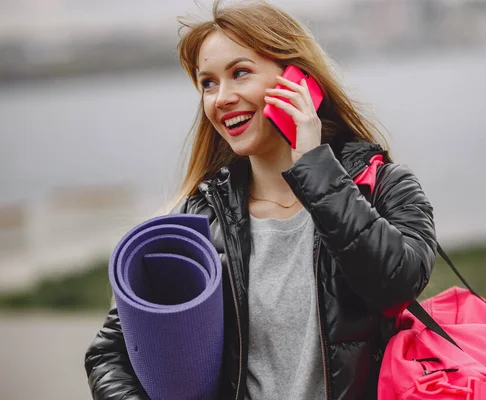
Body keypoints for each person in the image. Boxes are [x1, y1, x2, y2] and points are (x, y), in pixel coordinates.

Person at [84, 1, 437, 399]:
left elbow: (397, 284)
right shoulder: (200, 217)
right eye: (208, 83)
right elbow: (110, 353)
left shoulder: (383, 187)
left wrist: (315, 168)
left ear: (298, 81)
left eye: (240, 73)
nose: (221, 98)